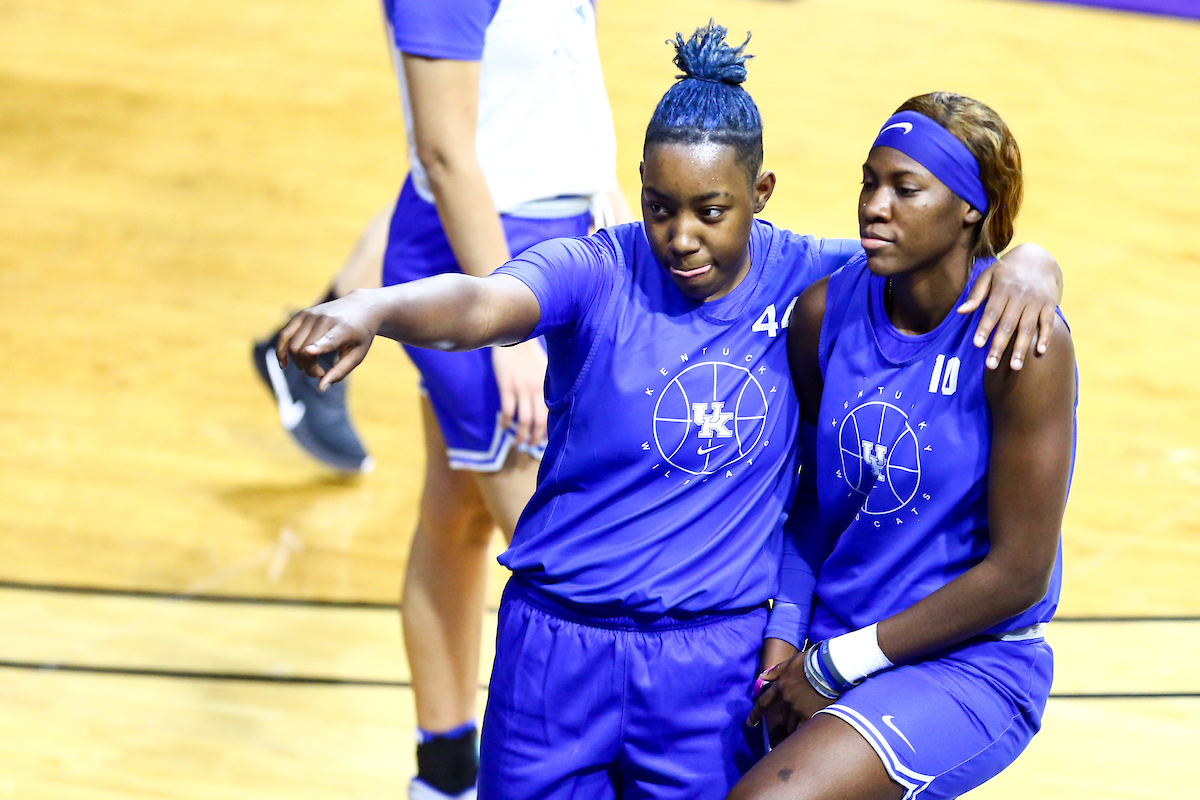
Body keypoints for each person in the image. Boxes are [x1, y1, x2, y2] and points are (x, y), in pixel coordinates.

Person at [276, 24, 1062, 800]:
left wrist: (1032, 261)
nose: (680, 237)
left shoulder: (815, 284)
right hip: (555, 654)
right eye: (659, 207)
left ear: (760, 196)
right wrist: (373, 307)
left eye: (710, 212)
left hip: (709, 669)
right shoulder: (598, 267)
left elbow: (949, 266)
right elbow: (482, 302)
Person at [258, 1, 629, 797]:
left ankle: (443, 774)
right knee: (568, 558)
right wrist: (511, 327)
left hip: (568, 236)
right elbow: (446, 150)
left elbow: (556, 88)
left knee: (457, 514)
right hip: (491, 262)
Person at [737, 93, 1076, 800]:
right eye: (869, 181)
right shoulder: (824, 312)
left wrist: (832, 668)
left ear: (970, 211)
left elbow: (1020, 574)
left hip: (967, 661)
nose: (874, 205)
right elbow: (808, 501)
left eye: (905, 188)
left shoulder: (1021, 343)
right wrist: (787, 634)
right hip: (829, 638)